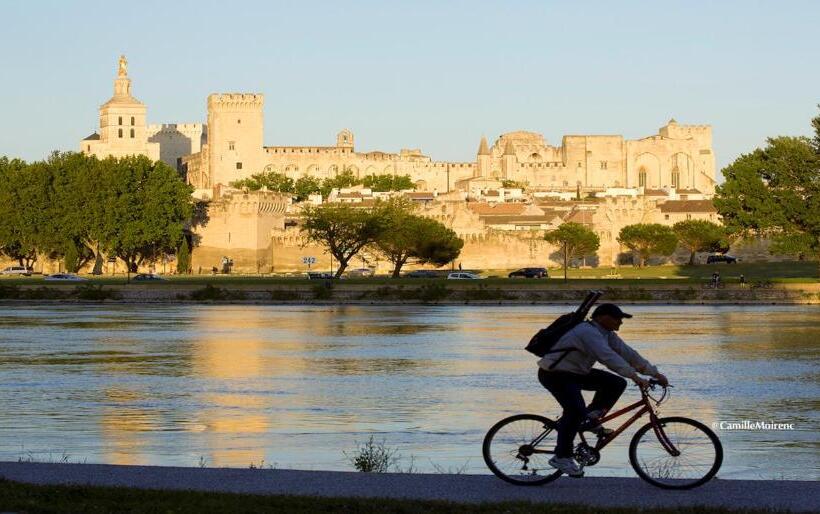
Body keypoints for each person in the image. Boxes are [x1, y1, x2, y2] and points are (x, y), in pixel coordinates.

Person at [537, 303, 668, 477]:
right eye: (617, 318)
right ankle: (561, 457)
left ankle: (590, 418)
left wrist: (655, 373)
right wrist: (635, 377)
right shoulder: (587, 332)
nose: (620, 322)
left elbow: (628, 353)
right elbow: (608, 357)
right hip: (555, 374)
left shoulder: (606, 334)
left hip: (576, 372)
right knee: (575, 410)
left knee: (616, 383)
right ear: (602, 317)